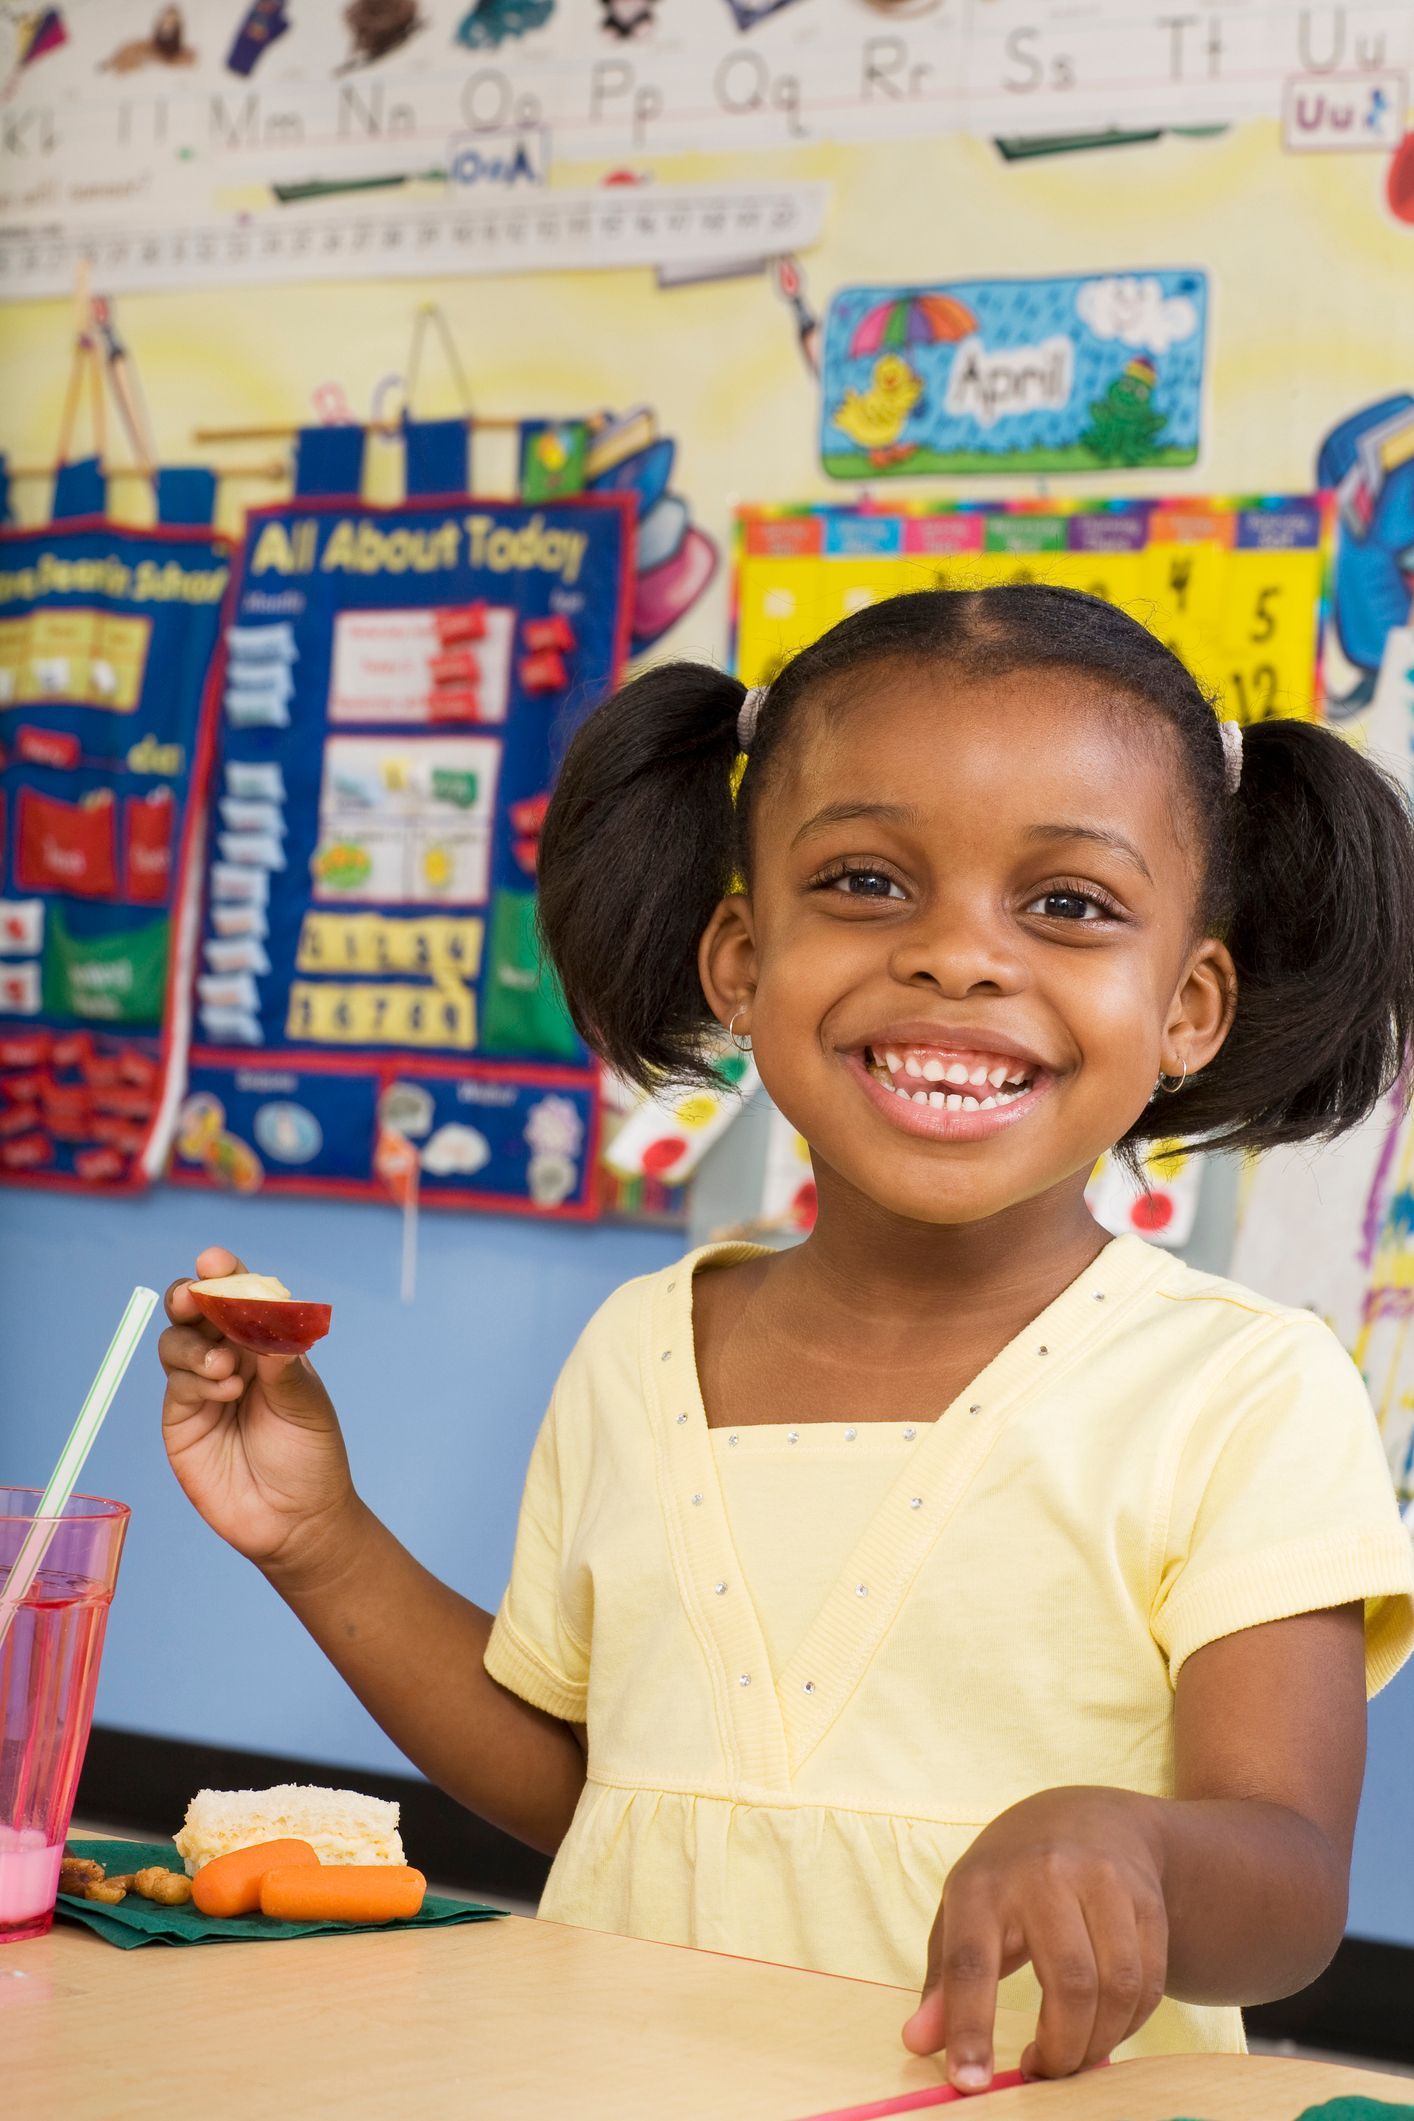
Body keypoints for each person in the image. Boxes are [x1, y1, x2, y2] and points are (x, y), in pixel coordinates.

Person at [160, 587, 1414, 2092]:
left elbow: (1284, 1888)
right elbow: (602, 1795)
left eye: (1067, 903)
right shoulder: (639, 1346)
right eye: (868, 881)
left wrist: (1136, 1846)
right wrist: (318, 1538)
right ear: (740, 961)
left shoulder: (1242, 1390)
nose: (957, 957)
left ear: (1189, 1003)